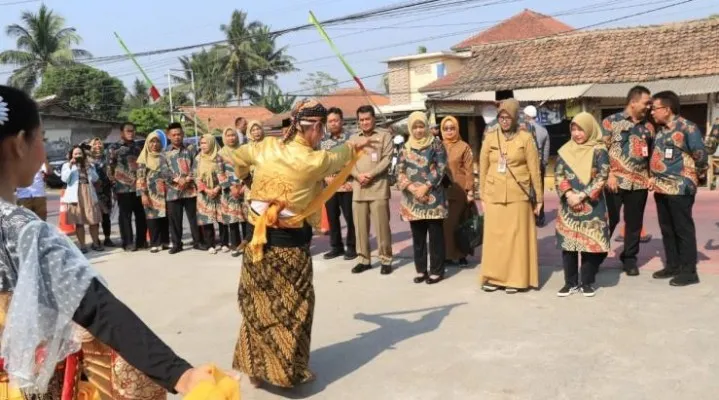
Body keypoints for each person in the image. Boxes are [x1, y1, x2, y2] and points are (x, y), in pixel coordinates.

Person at [0, 85, 224, 398]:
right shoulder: (23, 231)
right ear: (20, 144)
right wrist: (181, 374)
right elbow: (95, 307)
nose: (43, 146)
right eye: (42, 137)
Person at [229, 99, 376, 389]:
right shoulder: (314, 160)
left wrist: (245, 178)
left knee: (257, 304)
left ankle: (255, 371)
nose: (321, 137)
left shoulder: (265, 147)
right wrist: (357, 147)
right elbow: (340, 155)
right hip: (287, 247)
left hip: (255, 242)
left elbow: (239, 157)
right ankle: (285, 373)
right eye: (321, 130)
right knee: (293, 307)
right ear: (316, 127)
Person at [478, 98, 542, 294]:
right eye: (501, 117)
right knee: (495, 238)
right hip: (494, 193)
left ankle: (516, 279)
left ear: (515, 117)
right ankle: (494, 277)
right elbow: (483, 167)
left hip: (518, 195)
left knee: (516, 239)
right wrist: (482, 194)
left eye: (508, 117)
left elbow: (535, 170)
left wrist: (538, 199)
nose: (504, 120)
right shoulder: (489, 137)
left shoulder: (525, 138)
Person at [648, 91, 708, 287]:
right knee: (667, 229)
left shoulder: (687, 128)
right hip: (661, 188)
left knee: (682, 229)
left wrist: (694, 177)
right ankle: (672, 265)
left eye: (655, 108)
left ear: (667, 109)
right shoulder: (662, 130)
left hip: (680, 188)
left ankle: (689, 271)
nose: (652, 113)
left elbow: (700, 154)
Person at [554, 112, 611, 297]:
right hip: (568, 204)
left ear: (590, 129)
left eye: (581, 129)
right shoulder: (564, 150)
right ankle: (569, 283)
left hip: (592, 204)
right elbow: (559, 175)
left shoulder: (599, 150)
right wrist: (569, 194)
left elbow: (602, 176)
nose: (577, 133)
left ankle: (587, 282)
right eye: (574, 129)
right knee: (569, 245)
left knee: (589, 245)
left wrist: (583, 195)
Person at [600, 86, 654, 276]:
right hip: (614, 182)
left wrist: (651, 175)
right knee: (609, 220)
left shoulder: (649, 127)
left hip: (639, 183)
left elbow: (652, 155)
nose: (649, 106)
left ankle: (629, 258)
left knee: (634, 223)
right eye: (646, 102)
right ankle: (596, 256)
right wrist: (608, 175)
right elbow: (600, 151)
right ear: (633, 102)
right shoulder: (610, 122)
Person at [397, 111, 448, 284]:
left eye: (421, 126)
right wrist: (412, 188)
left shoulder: (436, 144)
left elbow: (441, 168)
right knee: (418, 237)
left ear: (426, 126)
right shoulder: (405, 147)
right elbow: (399, 171)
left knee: (435, 236)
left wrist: (426, 186)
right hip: (413, 200)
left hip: (433, 196)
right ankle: (421, 270)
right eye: (415, 127)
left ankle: (437, 271)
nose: (418, 131)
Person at [349, 105, 394, 275]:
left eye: (367, 119)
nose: (365, 122)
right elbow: (347, 162)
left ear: (373, 119)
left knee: (382, 227)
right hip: (359, 189)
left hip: (378, 188)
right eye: (361, 120)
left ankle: (385, 259)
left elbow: (387, 159)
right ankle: (363, 259)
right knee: (360, 228)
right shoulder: (353, 139)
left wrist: (371, 174)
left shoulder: (384, 136)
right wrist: (358, 176)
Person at [321, 107, 357, 260]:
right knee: (332, 217)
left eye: (336, 120)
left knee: (350, 218)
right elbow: (319, 162)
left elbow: (355, 160)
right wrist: (324, 176)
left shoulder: (351, 138)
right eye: (330, 121)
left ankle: (352, 247)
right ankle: (336, 247)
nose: (333, 123)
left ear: (341, 121)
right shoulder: (322, 141)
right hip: (329, 186)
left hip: (347, 186)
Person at [106, 122, 147, 252]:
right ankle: (128, 242)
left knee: (141, 215)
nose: (131, 133)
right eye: (128, 131)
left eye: (133, 131)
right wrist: (114, 185)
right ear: (122, 133)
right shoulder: (114, 148)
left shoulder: (138, 147)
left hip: (139, 187)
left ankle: (141, 241)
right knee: (125, 217)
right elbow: (109, 168)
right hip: (122, 188)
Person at [440, 115, 474, 266]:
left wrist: (470, 191)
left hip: (459, 191)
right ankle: (447, 255)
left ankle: (461, 255)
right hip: (441, 191)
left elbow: (469, 170)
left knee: (458, 223)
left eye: (452, 128)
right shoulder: (438, 146)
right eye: (446, 128)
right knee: (445, 225)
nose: (449, 131)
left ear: (457, 128)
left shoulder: (464, 146)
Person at [163, 122, 202, 254]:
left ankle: (197, 242)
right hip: (173, 192)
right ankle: (177, 244)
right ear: (169, 136)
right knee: (174, 220)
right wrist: (177, 179)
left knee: (194, 218)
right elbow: (163, 171)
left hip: (190, 190)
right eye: (174, 135)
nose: (177, 137)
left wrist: (188, 178)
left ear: (183, 134)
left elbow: (196, 165)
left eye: (179, 134)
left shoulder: (191, 149)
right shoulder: (165, 153)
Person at [61, 146, 104, 253]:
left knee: (93, 221)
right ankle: (83, 245)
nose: (78, 156)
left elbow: (95, 179)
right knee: (79, 222)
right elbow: (65, 179)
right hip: (75, 195)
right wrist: (71, 165)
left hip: (89, 193)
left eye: (79, 153)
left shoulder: (89, 165)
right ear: (71, 155)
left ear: (83, 154)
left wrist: (89, 167)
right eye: (75, 154)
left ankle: (95, 243)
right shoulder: (67, 165)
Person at [136, 132, 170, 254]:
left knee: (164, 217)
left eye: (157, 141)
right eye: (152, 141)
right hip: (150, 192)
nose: (155, 144)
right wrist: (143, 194)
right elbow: (140, 178)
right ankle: (155, 243)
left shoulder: (163, 156)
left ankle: (165, 241)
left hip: (164, 191)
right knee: (152, 218)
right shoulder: (143, 159)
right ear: (147, 143)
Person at [194, 134, 223, 254]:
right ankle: (210, 244)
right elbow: (196, 177)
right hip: (204, 193)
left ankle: (224, 242)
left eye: (205, 143)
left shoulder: (220, 157)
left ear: (211, 143)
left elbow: (224, 174)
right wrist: (206, 189)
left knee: (222, 219)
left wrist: (217, 188)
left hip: (219, 192)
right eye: (201, 143)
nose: (203, 146)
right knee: (207, 220)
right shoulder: (197, 159)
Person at [218, 127, 245, 257]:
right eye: (228, 135)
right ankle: (235, 245)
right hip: (229, 191)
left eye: (233, 135)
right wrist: (231, 187)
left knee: (246, 219)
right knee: (233, 220)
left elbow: (249, 168)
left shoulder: (243, 150)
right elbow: (220, 173)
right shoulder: (221, 153)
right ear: (224, 137)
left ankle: (247, 245)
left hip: (244, 189)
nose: (231, 138)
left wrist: (244, 186)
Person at [523, 105, 550, 227]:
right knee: (539, 189)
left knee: (526, 189)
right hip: (539, 163)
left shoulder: (523, 129)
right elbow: (546, 149)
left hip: (526, 163)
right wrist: (543, 163)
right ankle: (540, 217)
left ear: (526, 116)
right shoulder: (543, 129)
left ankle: (528, 217)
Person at [87, 138, 115, 247]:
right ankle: (96, 239)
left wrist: (114, 188)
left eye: (99, 145)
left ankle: (107, 238)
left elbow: (112, 173)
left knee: (106, 215)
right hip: (92, 191)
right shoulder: (87, 159)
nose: (97, 147)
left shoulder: (107, 158)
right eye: (95, 145)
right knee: (95, 216)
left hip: (106, 190)